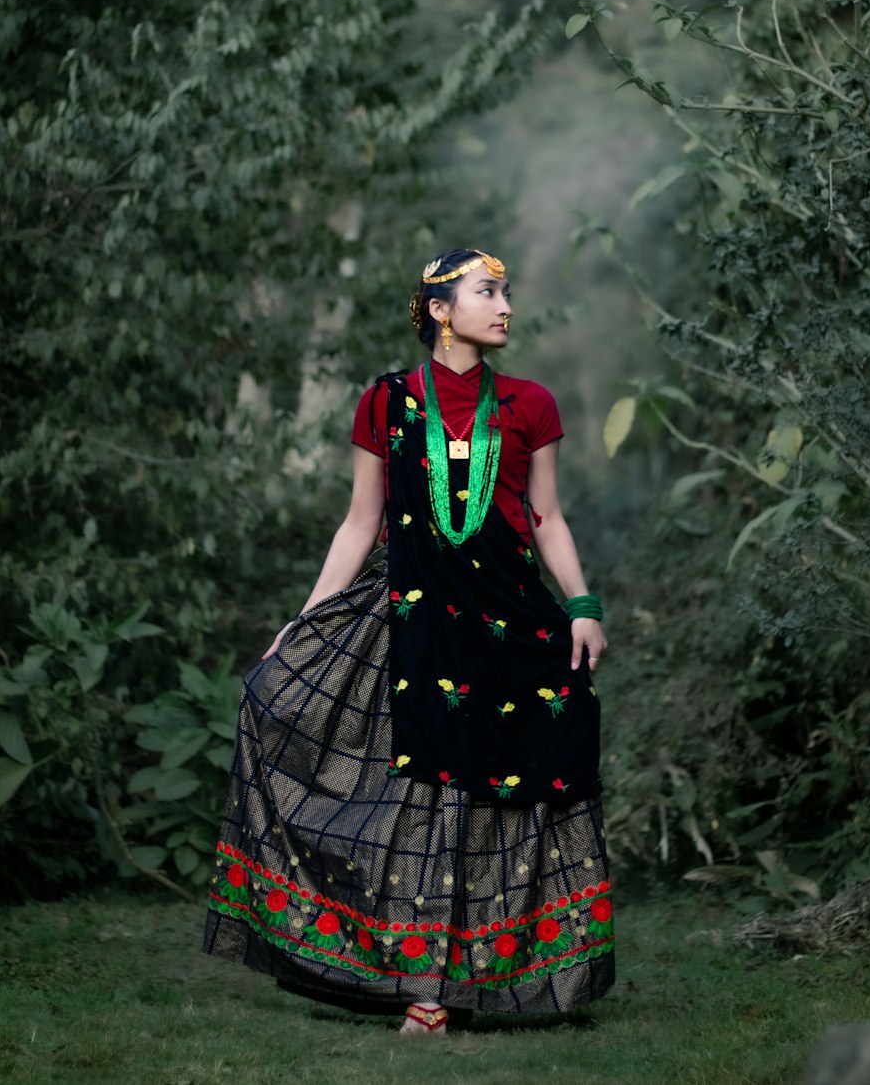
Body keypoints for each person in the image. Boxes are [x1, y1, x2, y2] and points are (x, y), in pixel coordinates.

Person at [203, 248, 614, 1034]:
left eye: (505, 292)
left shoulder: (530, 403)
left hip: (511, 622)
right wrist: (305, 617)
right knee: (420, 786)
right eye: (487, 292)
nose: (505, 306)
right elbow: (361, 522)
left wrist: (583, 606)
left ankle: (495, 979)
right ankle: (424, 993)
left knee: (514, 783)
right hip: (414, 619)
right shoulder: (387, 403)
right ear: (438, 309)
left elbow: (548, 517)